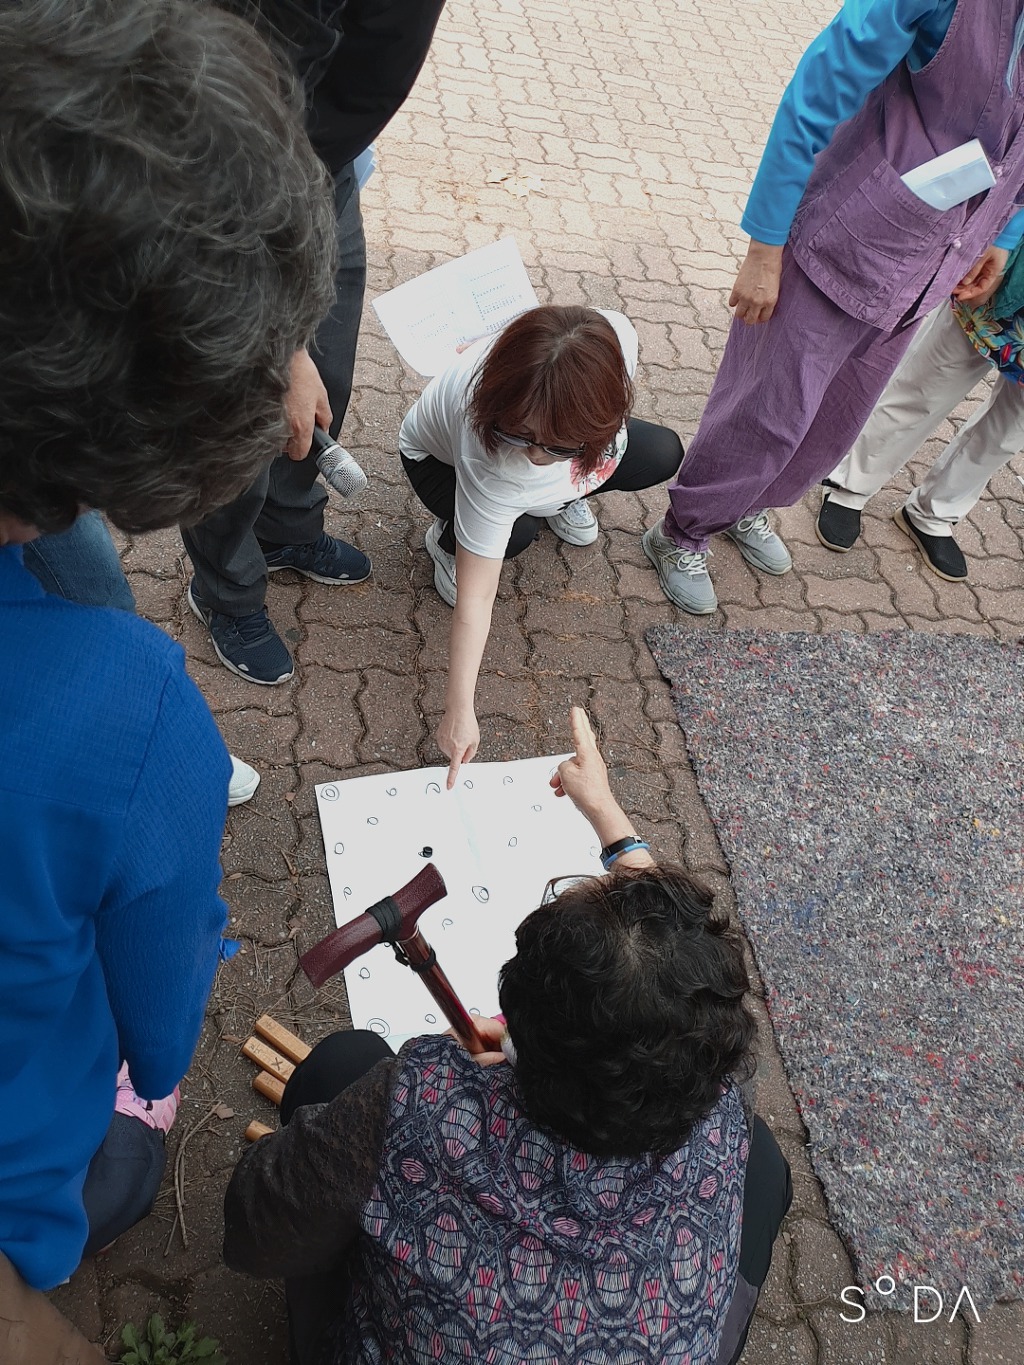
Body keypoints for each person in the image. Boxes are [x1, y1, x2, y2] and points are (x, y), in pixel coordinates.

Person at [0, 0, 335, 1302]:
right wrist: (149, 1073)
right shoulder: (122, 703)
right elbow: (158, 1000)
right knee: (119, 1166)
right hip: (22, 1165)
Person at [223, 706, 791, 1365]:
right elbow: (674, 990)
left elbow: (251, 1231)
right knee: (764, 1164)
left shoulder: (424, 1101)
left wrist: (434, 1077)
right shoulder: (718, 1080)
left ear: (521, 1025)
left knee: (340, 1063)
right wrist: (607, 816)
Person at [642, 0, 1024, 615]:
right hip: (846, 235)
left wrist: (1003, 234)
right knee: (768, 411)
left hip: (928, 267)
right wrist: (765, 246)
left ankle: (750, 506)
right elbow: (815, 95)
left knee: (834, 421)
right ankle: (683, 531)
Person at [182, 0, 447, 686]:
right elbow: (223, 131)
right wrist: (279, 348)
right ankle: (225, 589)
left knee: (328, 378)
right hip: (232, 177)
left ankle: (286, 530)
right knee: (245, 409)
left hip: (324, 166)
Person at [399, 304, 685, 784]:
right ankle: (449, 543)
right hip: (437, 465)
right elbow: (476, 600)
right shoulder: (493, 456)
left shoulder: (616, 334)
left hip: (548, 453)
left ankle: (558, 496)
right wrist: (459, 709)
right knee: (517, 533)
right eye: (523, 434)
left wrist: (566, 463)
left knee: (662, 452)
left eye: (558, 444)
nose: (534, 455)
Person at [816, 258, 1024, 580]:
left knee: (1008, 433)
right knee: (929, 385)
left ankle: (933, 513)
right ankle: (852, 483)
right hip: (1008, 273)